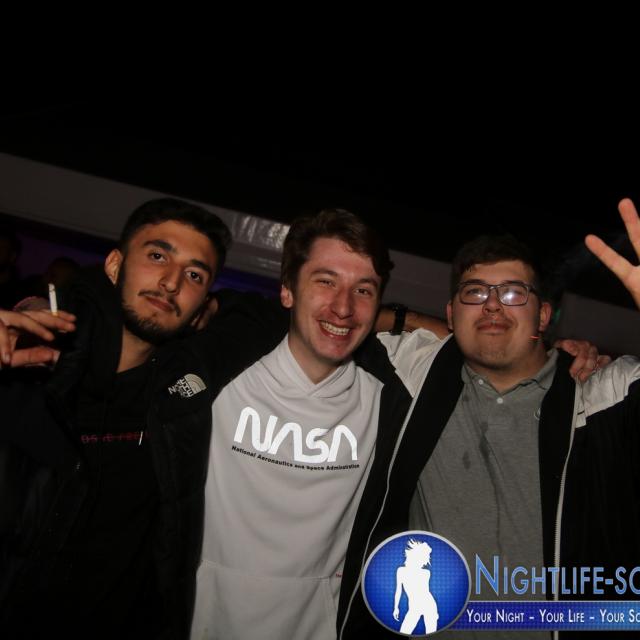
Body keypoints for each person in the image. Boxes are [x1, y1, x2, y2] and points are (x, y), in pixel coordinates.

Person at [337, 199, 640, 640]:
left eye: (514, 292)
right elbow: (330, 318)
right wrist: (411, 319)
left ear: (543, 315)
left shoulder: (602, 394)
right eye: (475, 292)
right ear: (451, 313)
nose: (493, 305)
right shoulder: (413, 373)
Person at [0, 198, 286, 640]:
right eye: (157, 256)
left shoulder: (186, 379)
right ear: (115, 266)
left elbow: (284, 316)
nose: (171, 282)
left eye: (195, 275)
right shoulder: (30, 369)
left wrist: (216, 308)